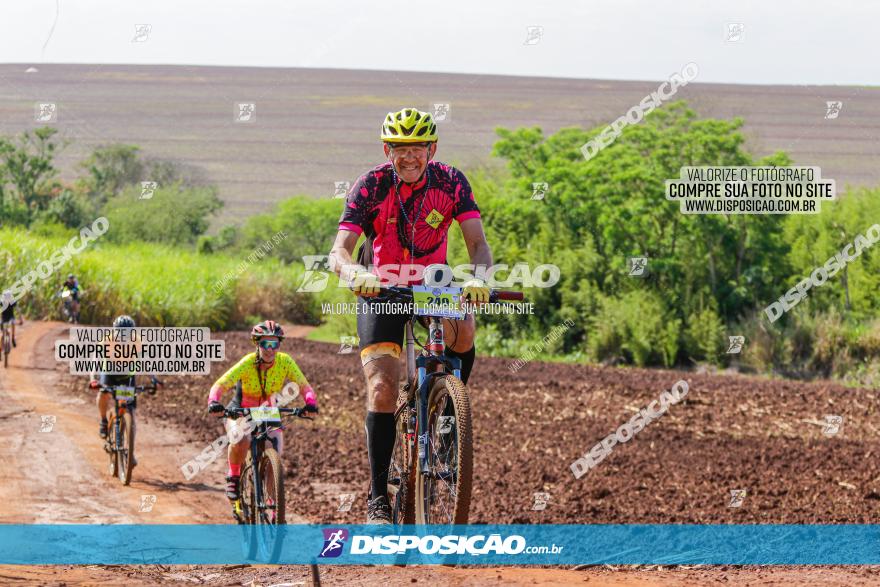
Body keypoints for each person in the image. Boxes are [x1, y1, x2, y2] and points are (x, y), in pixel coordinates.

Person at [327, 107, 493, 523]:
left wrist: (480, 277)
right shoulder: (371, 185)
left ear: (431, 149)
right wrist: (354, 272)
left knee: (465, 334)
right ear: (387, 150)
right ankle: (378, 497)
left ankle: (448, 414)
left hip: (433, 283)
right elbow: (339, 251)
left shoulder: (452, 182)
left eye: (417, 149)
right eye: (400, 149)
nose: (409, 158)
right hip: (381, 285)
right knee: (382, 385)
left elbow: (477, 243)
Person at [207, 320, 318, 501]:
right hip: (241, 410)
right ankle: (233, 476)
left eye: (274, 344)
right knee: (241, 438)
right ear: (257, 344)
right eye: (265, 344)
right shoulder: (247, 363)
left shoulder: (285, 362)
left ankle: (273, 507)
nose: (270, 349)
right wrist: (213, 402)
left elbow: (305, 386)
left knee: (274, 456)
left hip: (268, 412)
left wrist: (310, 403)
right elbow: (220, 385)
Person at [89, 315, 157, 468]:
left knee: (129, 412)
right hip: (110, 374)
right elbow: (96, 360)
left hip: (127, 377)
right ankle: (103, 421)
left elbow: (146, 361)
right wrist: (94, 378)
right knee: (104, 393)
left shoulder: (137, 341)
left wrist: (153, 378)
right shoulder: (107, 340)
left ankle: (130, 451)